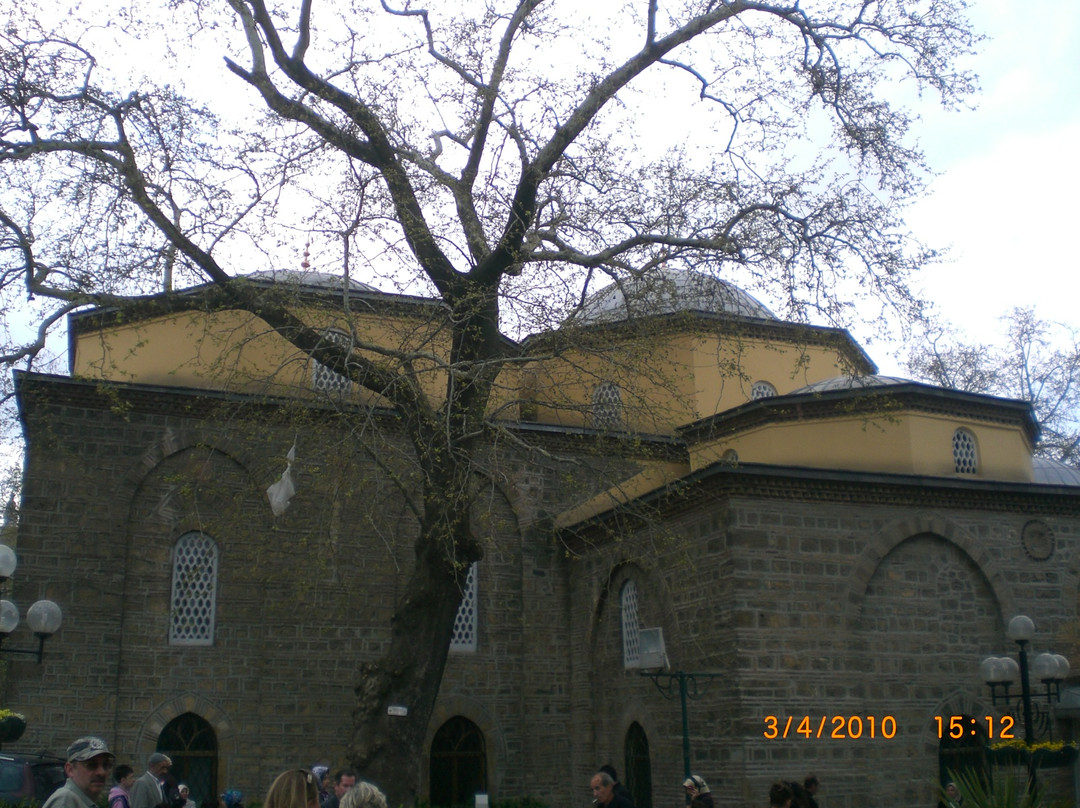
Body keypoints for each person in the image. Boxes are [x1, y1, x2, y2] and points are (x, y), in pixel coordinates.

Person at [43, 737, 116, 808]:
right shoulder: (65, 801)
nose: (101, 772)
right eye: (91, 765)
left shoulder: (82, 800)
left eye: (106, 765)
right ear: (70, 770)